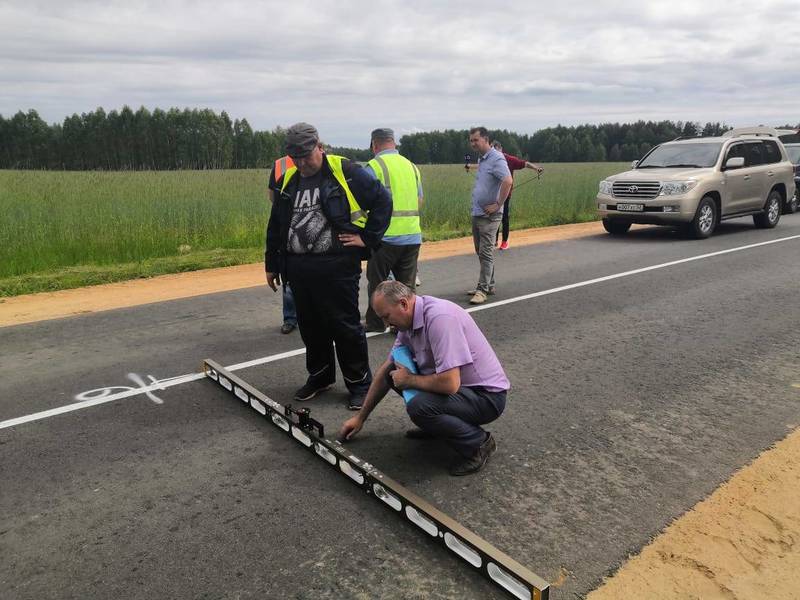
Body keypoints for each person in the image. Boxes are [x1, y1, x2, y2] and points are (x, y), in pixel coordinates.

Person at [265, 122, 392, 410]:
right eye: (295, 158)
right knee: (311, 328)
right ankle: (320, 377)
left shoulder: (343, 171)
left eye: (306, 155)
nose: (301, 163)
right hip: (298, 269)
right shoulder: (288, 180)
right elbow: (276, 225)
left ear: (320, 147)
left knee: (345, 326)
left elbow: (383, 200)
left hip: (337, 267)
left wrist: (367, 238)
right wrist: (271, 264)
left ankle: (360, 384)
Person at [339, 281, 509, 476]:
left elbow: (450, 384)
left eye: (386, 317)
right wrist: (360, 418)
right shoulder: (407, 322)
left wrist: (409, 380)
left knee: (419, 406)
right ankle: (439, 427)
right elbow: (387, 368)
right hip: (463, 392)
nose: (386, 324)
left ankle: (478, 443)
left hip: (486, 397)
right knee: (392, 373)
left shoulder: (440, 318)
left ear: (403, 304)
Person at [364, 127, 424, 333]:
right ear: (394, 143)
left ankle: (376, 323)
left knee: (378, 283)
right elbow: (419, 199)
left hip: (385, 238)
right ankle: (406, 325)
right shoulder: (412, 166)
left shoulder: (374, 166)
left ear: (374, 144)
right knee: (406, 286)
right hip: (412, 235)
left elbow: (363, 202)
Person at [466, 127, 512, 305]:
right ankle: (489, 284)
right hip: (478, 212)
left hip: (490, 216)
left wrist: (498, 204)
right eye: (471, 141)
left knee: (485, 252)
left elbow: (508, 181)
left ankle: (482, 289)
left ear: (486, 139)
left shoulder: (496, 158)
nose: (473, 144)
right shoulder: (483, 159)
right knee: (480, 251)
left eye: (475, 140)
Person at [491, 141, 543, 250]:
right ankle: (494, 241)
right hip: (494, 194)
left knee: (504, 217)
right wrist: (468, 166)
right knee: (494, 217)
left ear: (500, 149)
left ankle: (504, 242)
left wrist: (536, 168)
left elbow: (525, 163)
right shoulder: (491, 160)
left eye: (495, 151)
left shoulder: (509, 160)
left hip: (505, 194)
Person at [267, 155, 297, 334]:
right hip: (287, 223)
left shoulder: (280, 163)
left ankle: (291, 319)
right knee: (288, 277)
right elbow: (273, 193)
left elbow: (271, 193)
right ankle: (291, 317)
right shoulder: (280, 165)